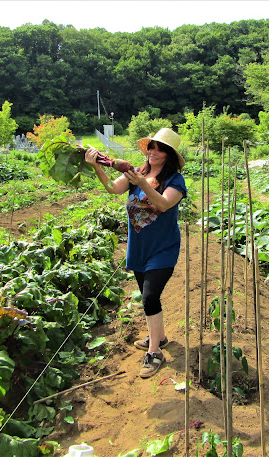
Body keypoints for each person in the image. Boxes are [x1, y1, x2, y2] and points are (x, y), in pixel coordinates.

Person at [85, 127, 187, 378]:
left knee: (150, 297)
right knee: (146, 295)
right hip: (139, 246)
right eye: (151, 146)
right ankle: (160, 337)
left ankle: (154, 353)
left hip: (163, 247)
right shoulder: (138, 172)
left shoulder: (175, 180)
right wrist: (98, 165)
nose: (152, 151)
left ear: (169, 154)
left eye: (159, 148)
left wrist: (143, 184)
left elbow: (163, 204)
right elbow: (113, 188)